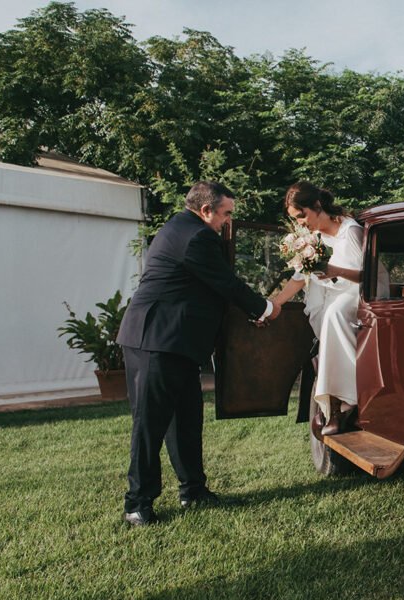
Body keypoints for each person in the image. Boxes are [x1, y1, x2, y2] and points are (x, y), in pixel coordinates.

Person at [116, 181, 282, 526]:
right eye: (226, 213)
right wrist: (265, 308)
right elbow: (226, 283)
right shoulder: (197, 236)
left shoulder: (181, 227)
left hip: (176, 342)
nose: (227, 221)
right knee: (150, 424)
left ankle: (193, 490)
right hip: (157, 340)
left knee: (186, 420)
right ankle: (137, 504)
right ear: (206, 210)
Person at [270, 181, 362, 436]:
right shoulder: (314, 238)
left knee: (333, 314)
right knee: (319, 312)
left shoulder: (351, 231)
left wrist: (334, 270)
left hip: (357, 292)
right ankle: (331, 401)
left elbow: (370, 276)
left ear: (317, 206)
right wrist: (275, 304)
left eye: (302, 216)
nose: (300, 223)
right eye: (296, 219)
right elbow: (300, 277)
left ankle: (344, 401)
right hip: (331, 291)